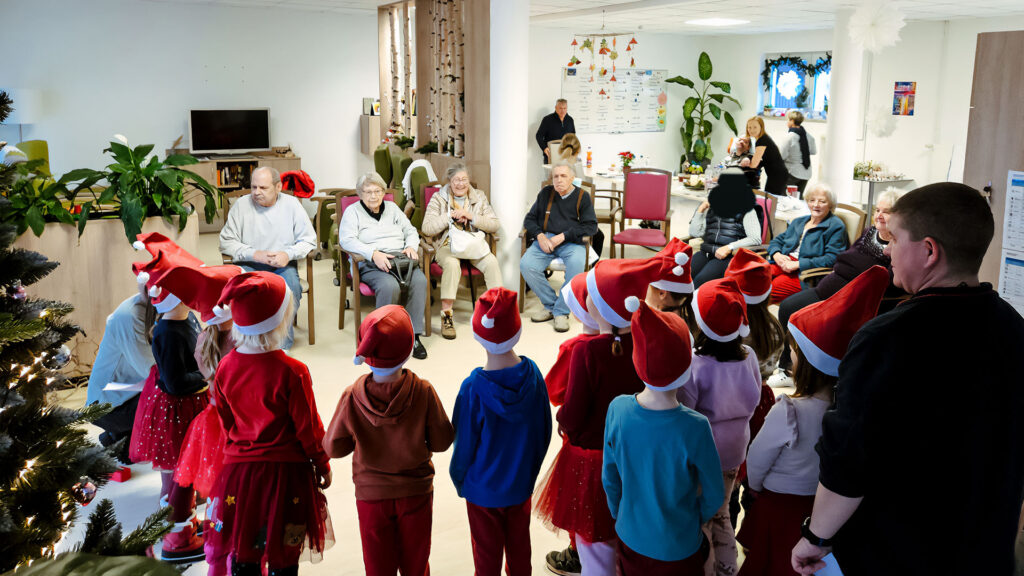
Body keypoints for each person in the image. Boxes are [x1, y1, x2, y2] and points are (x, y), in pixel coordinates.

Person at [790, 183, 1024, 575]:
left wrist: (816, 537)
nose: (887, 250)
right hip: (986, 545)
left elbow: (848, 458)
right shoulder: (1014, 328)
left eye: (894, 239)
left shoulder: (886, 338)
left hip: (898, 549)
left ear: (930, 250)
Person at [737, 267, 889, 576]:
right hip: (822, 513)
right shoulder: (853, 414)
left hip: (778, 508)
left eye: (793, 351)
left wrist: (752, 488)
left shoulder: (788, 411)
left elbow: (757, 459)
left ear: (806, 361)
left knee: (771, 564)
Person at [535, 258, 670, 575]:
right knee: (625, 529)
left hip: (592, 458)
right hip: (634, 454)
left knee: (593, 539)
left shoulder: (587, 351)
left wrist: (562, 422)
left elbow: (575, 409)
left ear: (604, 308)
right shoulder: (643, 342)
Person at [208, 272, 333, 575]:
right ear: (281, 320)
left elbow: (225, 421)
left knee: (244, 547)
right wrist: (322, 463)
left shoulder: (225, 366)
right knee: (285, 550)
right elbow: (309, 430)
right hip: (286, 476)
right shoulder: (293, 371)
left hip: (240, 475)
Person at [324, 305, 454, 576]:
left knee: (377, 566)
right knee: (416, 563)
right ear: (408, 350)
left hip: (371, 497)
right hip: (416, 492)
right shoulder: (424, 391)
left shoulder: (351, 397)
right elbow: (442, 442)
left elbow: (333, 448)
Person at [603, 299, 721, 576]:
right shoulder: (696, 426)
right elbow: (714, 493)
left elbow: (609, 478)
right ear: (686, 367)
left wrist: (620, 514)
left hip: (629, 535)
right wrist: (694, 519)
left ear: (637, 362)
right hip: (680, 544)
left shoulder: (617, 409)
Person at [450, 288, 552, 576]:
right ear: (518, 331)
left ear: (476, 334)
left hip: (482, 492)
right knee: (521, 551)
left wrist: (461, 481)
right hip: (520, 486)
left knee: (486, 558)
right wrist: (528, 472)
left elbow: (464, 445)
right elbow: (545, 431)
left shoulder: (472, 388)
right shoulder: (534, 377)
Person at [127, 240, 208, 564]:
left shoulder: (183, 320)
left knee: (180, 472)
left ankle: (179, 521)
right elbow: (175, 383)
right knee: (178, 474)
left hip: (183, 407)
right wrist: (206, 375)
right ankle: (177, 536)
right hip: (177, 410)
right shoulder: (169, 331)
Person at [164, 264, 244, 576]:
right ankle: (236, 544)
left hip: (209, 421)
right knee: (236, 488)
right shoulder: (238, 344)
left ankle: (208, 538)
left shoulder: (203, 340)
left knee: (210, 488)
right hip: (235, 425)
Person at [679, 277, 761, 576]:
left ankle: (703, 568)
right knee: (723, 513)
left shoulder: (694, 362)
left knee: (699, 516)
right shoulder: (749, 355)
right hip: (735, 448)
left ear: (700, 323)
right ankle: (728, 570)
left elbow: (685, 412)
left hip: (704, 452)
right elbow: (754, 399)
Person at [776, 189, 904, 374]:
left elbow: (884, 279)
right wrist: (851, 266)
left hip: (851, 302)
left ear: (899, 216)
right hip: (828, 288)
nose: (879, 215)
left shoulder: (897, 245)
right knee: (788, 306)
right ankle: (789, 365)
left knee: (807, 320)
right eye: (877, 210)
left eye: (887, 211)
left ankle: (813, 371)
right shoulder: (869, 232)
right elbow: (845, 258)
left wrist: (850, 266)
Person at [219, 166, 316, 350]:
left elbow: (309, 240)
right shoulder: (241, 205)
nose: (256, 192)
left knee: (291, 289)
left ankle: (281, 345)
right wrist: (254, 254)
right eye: (253, 187)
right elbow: (226, 242)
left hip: (282, 263)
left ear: (278, 187)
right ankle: (249, 342)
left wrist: (288, 254)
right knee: (245, 291)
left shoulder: (292, 205)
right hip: (249, 263)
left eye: (263, 188)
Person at [339, 171, 429, 359]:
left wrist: (411, 246)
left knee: (420, 281)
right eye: (368, 192)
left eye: (378, 191)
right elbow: (346, 240)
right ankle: (382, 337)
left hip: (400, 260)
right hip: (370, 262)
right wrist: (373, 254)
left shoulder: (393, 208)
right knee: (389, 286)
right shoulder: (352, 212)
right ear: (360, 194)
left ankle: (414, 336)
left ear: (383, 192)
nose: (373, 196)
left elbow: (410, 230)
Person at [420, 162, 502, 340]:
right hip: (447, 245)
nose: (461, 184)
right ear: (449, 181)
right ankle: (447, 315)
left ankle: (496, 311)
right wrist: (449, 216)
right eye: (456, 180)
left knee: (492, 262)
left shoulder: (479, 196)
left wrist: (472, 217)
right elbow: (427, 228)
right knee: (451, 263)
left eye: (464, 179)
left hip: (473, 244)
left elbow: (495, 224)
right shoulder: (438, 198)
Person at [521, 162, 598, 333]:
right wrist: (540, 236)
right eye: (555, 176)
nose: (559, 180)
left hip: (570, 241)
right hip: (546, 239)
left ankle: (562, 312)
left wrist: (563, 236)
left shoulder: (581, 197)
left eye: (563, 176)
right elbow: (530, 220)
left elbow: (591, 227)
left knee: (576, 266)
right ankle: (551, 305)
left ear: (572, 178)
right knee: (526, 265)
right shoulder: (546, 194)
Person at [86, 281, 156, 464]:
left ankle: (120, 436)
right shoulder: (130, 316)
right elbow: (152, 372)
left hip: (128, 391)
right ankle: (122, 438)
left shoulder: (159, 309)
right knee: (173, 396)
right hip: (107, 406)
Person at [766, 183, 848, 304]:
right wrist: (776, 254)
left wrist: (798, 264)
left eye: (822, 201)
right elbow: (777, 241)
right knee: (749, 279)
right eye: (812, 200)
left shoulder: (835, 226)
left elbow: (832, 259)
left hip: (805, 273)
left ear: (830, 204)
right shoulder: (799, 221)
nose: (816, 205)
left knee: (766, 292)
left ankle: (758, 321)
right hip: (782, 263)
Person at [688, 168, 762, 287]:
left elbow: (755, 239)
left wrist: (729, 247)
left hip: (728, 256)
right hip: (706, 252)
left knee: (700, 282)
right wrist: (701, 210)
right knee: (683, 277)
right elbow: (695, 232)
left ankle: (695, 305)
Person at [744, 117, 788, 194]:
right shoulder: (763, 138)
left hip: (777, 175)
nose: (751, 130)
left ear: (761, 127)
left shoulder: (762, 141)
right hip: (777, 174)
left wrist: (745, 161)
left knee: (771, 201)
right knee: (771, 200)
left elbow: (753, 165)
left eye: (755, 127)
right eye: (749, 127)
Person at [779, 110, 816, 196]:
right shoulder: (809, 136)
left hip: (793, 173)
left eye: (787, 120)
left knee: (784, 196)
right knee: (797, 198)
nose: (787, 122)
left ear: (792, 121)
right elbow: (813, 151)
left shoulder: (789, 137)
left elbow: (781, 156)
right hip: (806, 173)